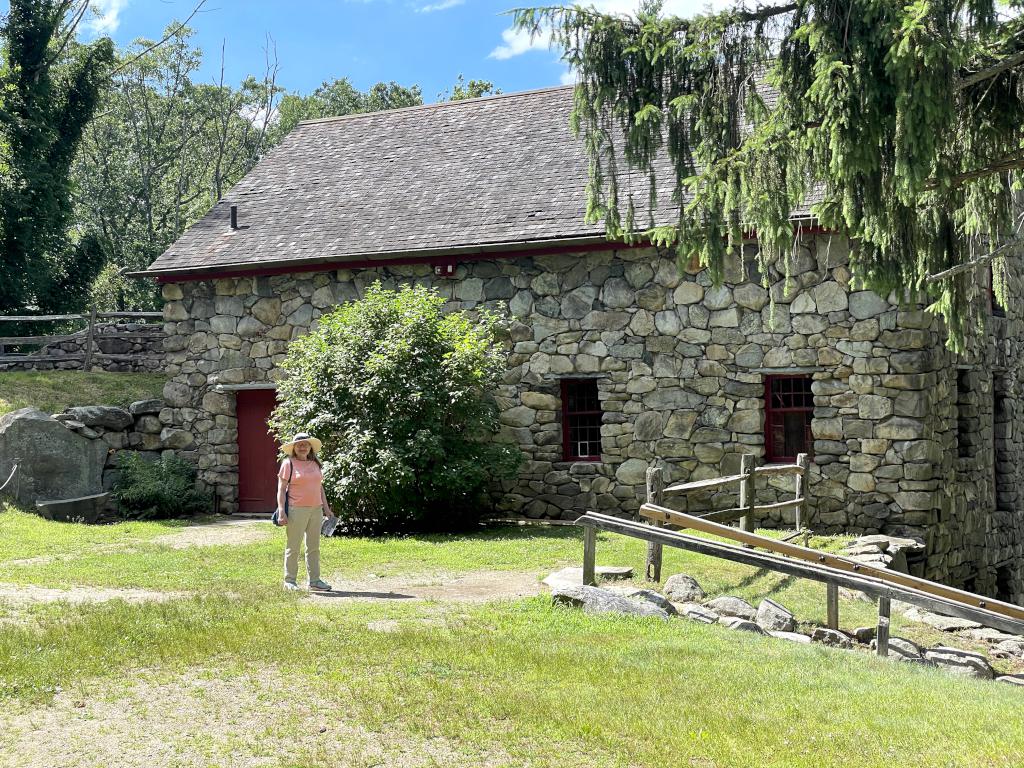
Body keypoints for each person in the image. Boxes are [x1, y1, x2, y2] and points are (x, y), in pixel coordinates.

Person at [277, 432, 335, 591]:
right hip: (296, 510)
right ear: (294, 447)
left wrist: (326, 508)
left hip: (316, 510)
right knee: (293, 546)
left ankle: (315, 581)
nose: (303, 447)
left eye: (306, 444)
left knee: (314, 547)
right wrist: (282, 511)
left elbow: (319, 487)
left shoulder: (315, 463)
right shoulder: (288, 463)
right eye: (299, 444)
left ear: (310, 447)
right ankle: (289, 581)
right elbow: (281, 490)